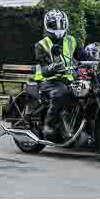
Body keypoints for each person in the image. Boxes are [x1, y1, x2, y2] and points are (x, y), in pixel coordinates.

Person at [34, 9, 82, 142]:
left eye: (61, 24)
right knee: (61, 93)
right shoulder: (41, 45)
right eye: (54, 25)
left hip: (67, 79)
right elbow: (43, 69)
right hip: (47, 80)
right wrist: (53, 67)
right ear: (48, 25)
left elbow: (83, 57)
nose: (58, 28)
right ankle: (48, 124)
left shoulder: (72, 40)